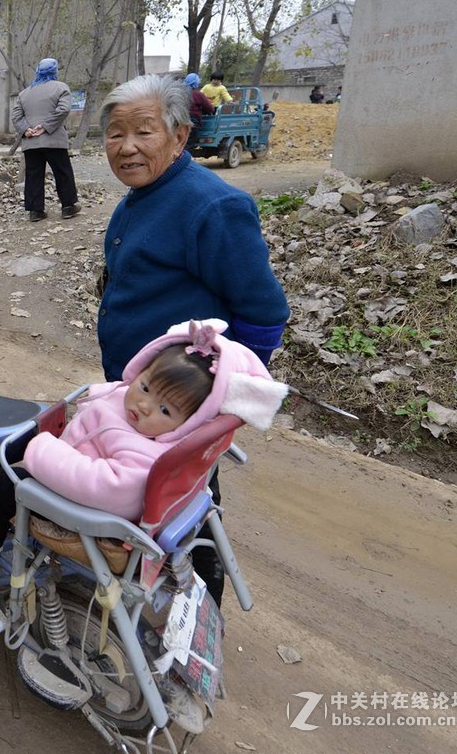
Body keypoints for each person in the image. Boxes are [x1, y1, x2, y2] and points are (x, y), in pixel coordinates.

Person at [96, 73, 289, 604]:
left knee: (190, 512)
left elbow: (264, 313)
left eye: (143, 132)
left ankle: (198, 628)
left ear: (179, 137)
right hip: (144, 399)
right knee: (146, 505)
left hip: (182, 410)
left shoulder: (211, 207)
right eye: (115, 133)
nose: (127, 147)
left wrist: (219, 410)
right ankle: (144, 606)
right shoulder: (141, 196)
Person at [0, 320, 286, 578]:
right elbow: (119, 394)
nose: (144, 405)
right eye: (145, 385)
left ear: (192, 422)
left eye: (166, 410)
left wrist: (41, 449)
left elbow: (106, 487)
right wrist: (101, 395)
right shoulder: (152, 427)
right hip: (78, 477)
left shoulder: (145, 456)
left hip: (87, 511)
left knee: (0, 483)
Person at [11, 57, 80, 222]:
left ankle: (35, 211)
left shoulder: (24, 93)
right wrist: (45, 126)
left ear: (37, 72)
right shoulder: (61, 88)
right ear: (55, 71)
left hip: (31, 142)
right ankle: (68, 207)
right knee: (62, 173)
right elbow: (63, 110)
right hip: (54, 140)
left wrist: (26, 129)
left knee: (34, 175)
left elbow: (16, 116)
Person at [184, 73, 215, 150]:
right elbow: (209, 108)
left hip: (179, 120)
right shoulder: (198, 94)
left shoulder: (180, 93)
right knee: (189, 143)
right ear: (196, 83)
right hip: (192, 120)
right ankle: (185, 160)